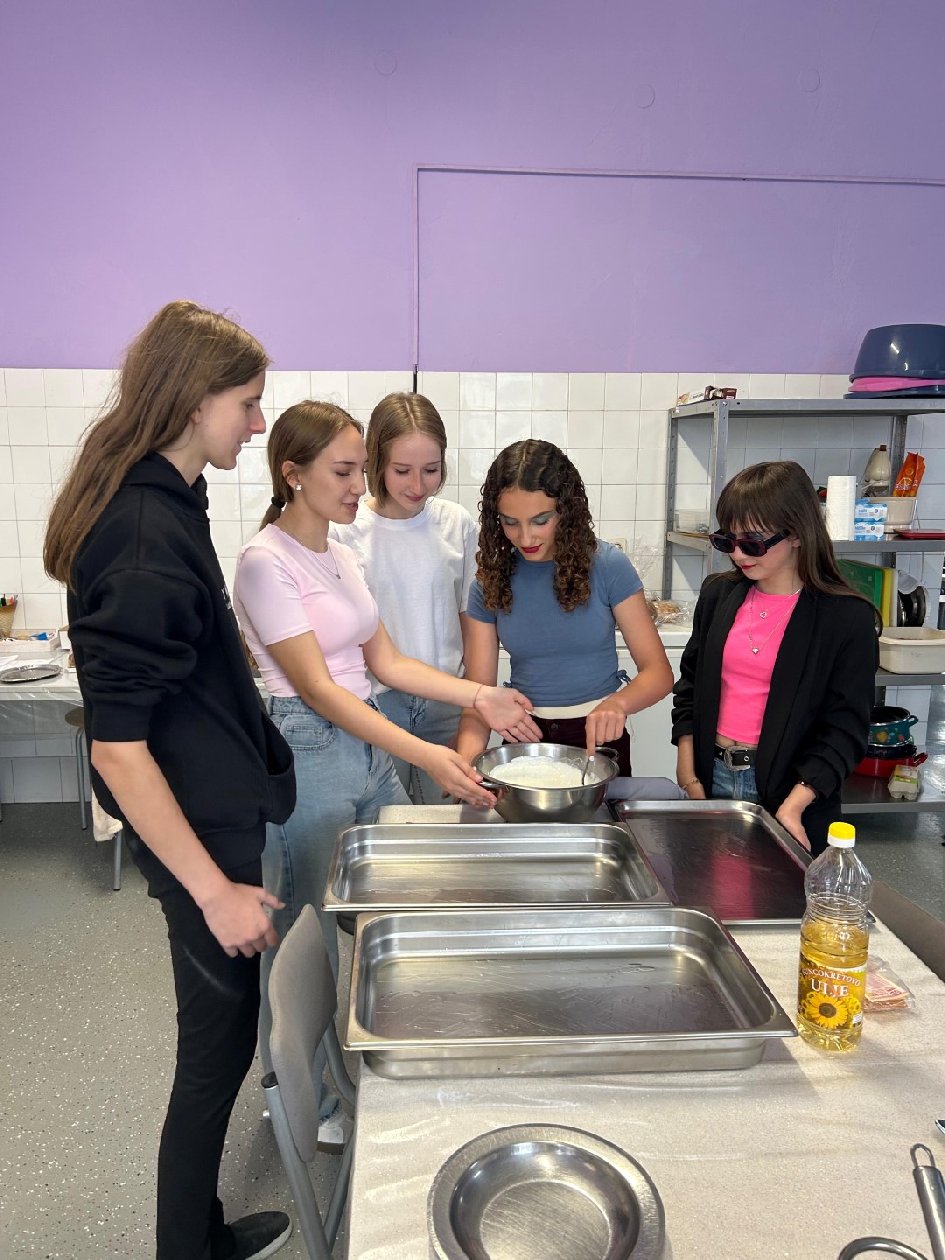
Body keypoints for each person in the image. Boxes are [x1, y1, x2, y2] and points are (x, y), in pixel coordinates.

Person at [43, 301, 297, 1260]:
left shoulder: (168, 497)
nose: (259, 424)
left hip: (210, 815)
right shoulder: (145, 534)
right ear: (195, 401)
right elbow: (117, 750)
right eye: (248, 403)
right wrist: (214, 891)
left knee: (222, 1045)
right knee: (211, 1058)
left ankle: (197, 1233)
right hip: (197, 841)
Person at [231, 401, 539, 1137]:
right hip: (309, 748)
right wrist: (427, 752)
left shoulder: (336, 556)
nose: (358, 485)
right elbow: (317, 690)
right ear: (293, 474)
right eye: (344, 471)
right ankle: (307, 1100)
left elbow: (389, 662)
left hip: (365, 748)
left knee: (403, 904)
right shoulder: (265, 562)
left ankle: (389, 1063)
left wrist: (479, 696)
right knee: (309, 931)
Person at [671, 460, 877, 856]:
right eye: (726, 540)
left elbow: (845, 728)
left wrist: (795, 804)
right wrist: (688, 772)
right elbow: (691, 686)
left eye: (752, 542)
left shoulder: (845, 617)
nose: (737, 554)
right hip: (711, 775)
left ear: (797, 533)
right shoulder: (718, 595)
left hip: (792, 790)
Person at [455, 439, 674, 773]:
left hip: (598, 738)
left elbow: (659, 673)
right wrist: (465, 766)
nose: (525, 537)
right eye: (510, 522)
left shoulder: (607, 565)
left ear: (566, 511)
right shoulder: (491, 581)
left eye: (540, 520)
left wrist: (618, 704)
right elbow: (478, 699)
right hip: (524, 735)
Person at [330, 391, 477, 802]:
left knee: (449, 822)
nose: (417, 485)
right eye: (402, 470)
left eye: (430, 470)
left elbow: (472, 623)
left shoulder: (456, 523)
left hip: (448, 701)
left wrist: (475, 705)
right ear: (376, 461)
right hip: (375, 706)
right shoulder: (345, 530)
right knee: (386, 824)